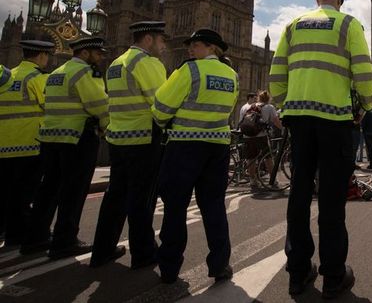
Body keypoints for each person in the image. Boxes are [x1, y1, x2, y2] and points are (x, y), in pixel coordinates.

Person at [269, 0, 372, 298]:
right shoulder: (348, 25)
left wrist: (284, 102)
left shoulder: (293, 25)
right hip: (334, 120)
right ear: (338, 0)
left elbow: (276, 75)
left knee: (299, 195)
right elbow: (364, 75)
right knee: (331, 200)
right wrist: (366, 104)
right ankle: (333, 276)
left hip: (299, 121)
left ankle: (298, 273)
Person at [151, 28, 239, 284]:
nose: (190, 49)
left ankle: (169, 267)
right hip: (218, 147)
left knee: (176, 206)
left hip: (185, 146)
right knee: (213, 206)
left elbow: (161, 107)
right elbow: (228, 109)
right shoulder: (232, 75)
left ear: (212, 48)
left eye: (196, 45)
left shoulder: (190, 70)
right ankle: (220, 264)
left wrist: (167, 121)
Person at [90, 21, 168, 268]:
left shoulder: (116, 63)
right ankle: (143, 253)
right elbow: (161, 103)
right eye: (161, 40)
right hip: (143, 138)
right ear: (148, 39)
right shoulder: (147, 63)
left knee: (115, 196)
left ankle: (101, 250)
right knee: (142, 198)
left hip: (117, 139)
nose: (163, 46)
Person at [22, 37, 109, 258]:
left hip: (50, 138)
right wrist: (105, 127)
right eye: (98, 53)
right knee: (73, 191)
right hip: (76, 137)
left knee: (48, 189)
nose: (101, 58)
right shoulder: (85, 73)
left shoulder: (56, 73)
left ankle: (35, 237)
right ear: (86, 53)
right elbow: (99, 105)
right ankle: (64, 241)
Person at [0, 40, 53, 249]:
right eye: (47, 56)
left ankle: (6, 229)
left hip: (4, 143)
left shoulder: (7, 76)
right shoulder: (37, 78)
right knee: (26, 192)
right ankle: (19, 234)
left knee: (6, 190)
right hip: (30, 142)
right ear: (41, 56)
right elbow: (49, 105)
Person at [242, 90, 283, 190]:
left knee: (251, 158)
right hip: (261, 136)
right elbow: (276, 121)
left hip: (247, 136)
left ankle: (252, 181)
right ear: (269, 99)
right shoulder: (269, 107)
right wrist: (283, 130)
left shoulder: (248, 107)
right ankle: (273, 180)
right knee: (268, 158)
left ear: (258, 98)